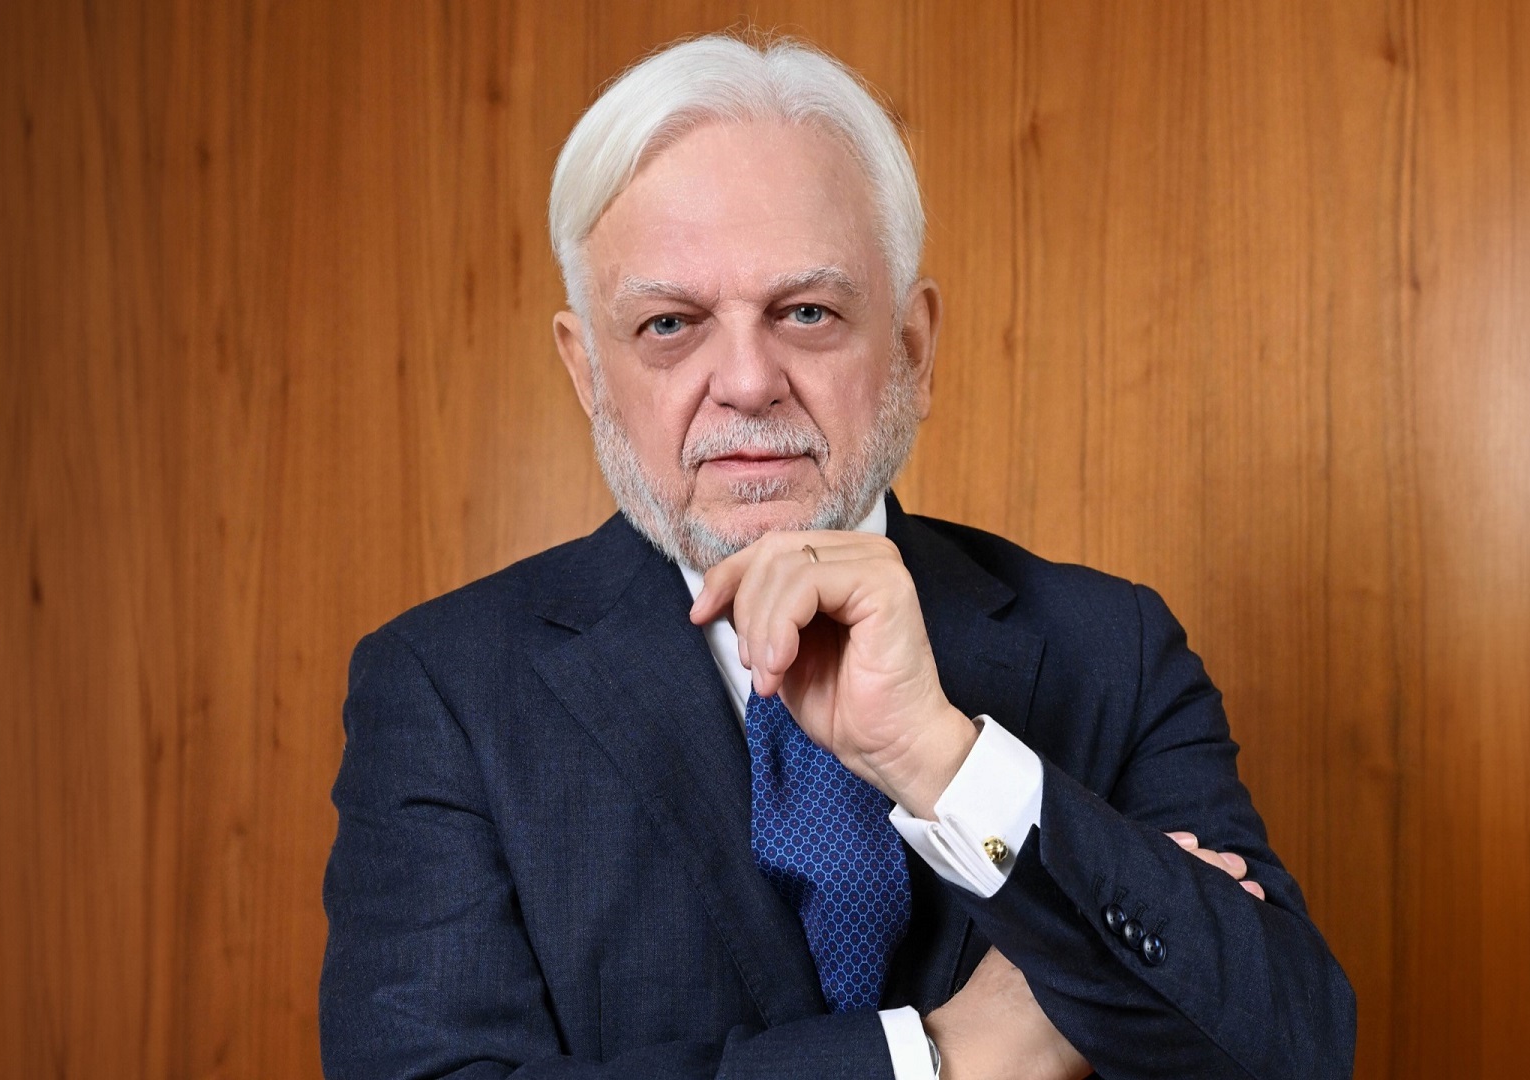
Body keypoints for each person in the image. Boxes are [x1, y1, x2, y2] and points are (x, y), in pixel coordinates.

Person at [321, 32, 1355, 1080]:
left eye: (807, 311)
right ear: (588, 370)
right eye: (670, 323)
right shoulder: (446, 690)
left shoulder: (1113, 651)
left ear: (912, 346)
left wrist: (941, 759)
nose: (746, 382)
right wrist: (936, 1057)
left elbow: (1293, 1052)